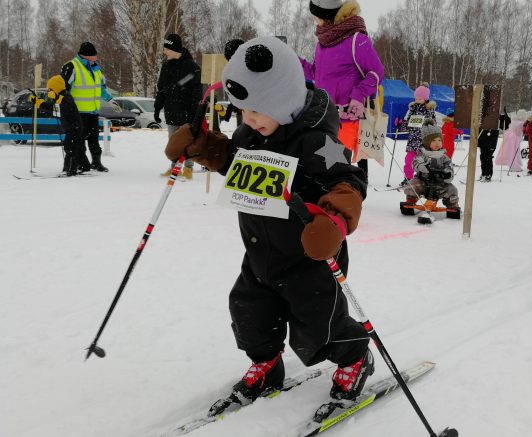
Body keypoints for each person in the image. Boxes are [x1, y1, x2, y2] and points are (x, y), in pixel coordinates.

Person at [164, 36, 374, 404]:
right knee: (249, 314)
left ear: (283, 99)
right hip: (261, 253)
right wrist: (201, 146)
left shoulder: (313, 141)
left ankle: (355, 357)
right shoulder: (251, 133)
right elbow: (233, 162)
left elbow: (348, 181)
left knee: (318, 327)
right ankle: (266, 362)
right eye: (243, 111)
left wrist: (335, 220)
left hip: (309, 257)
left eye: (257, 110)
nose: (248, 119)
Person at [301, 0, 385, 176]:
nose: (314, 21)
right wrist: (295, 62)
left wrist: (358, 94)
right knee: (323, 170)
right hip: (324, 118)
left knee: (339, 172)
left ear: (325, 16)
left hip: (347, 120)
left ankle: (348, 198)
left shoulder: (356, 39)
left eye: (316, 17)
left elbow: (376, 72)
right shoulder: (323, 43)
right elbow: (317, 74)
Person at [60, 42, 114, 173]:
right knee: (78, 140)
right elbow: (63, 89)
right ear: (87, 55)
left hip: (93, 111)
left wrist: (110, 99)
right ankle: (76, 164)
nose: (97, 57)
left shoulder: (96, 69)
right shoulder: (71, 66)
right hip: (78, 112)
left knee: (94, 139)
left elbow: (100, 88)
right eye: (95, 55)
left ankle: (96, 162)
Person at [154, 34, 202, 180]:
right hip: (171, 111)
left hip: (187, 112)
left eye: (166, 49)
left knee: (187, 141)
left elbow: (197, 91)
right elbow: (161, 89)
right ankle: (174, 167)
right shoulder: (166, 66)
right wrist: (157, 107)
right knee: (173, 141)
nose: (164, 52)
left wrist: (194, 111)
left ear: (174, 49)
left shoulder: (191, 66)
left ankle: (188, 168)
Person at [31, 75, 85, 176]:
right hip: (71, 127)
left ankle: (70, 170)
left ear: (56, 88)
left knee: (70, 148)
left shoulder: (66, 97)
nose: (49, 91)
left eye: (50, 89)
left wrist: (57, 98)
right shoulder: (59, 98)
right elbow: (53, 108)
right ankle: (80, 167)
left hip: (74, 127)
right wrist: (39, 102)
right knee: (75, 148)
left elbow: (65, 106)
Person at [402, 120, 460, 213]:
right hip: (423, 183)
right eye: (433, 140)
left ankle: (452, 205)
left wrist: (447, 174)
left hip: (440, 184)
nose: (437, 143)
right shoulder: (422, 154)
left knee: (452, 190)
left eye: (439, 140)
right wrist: (422, 167)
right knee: (412, 185)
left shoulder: (444, 156)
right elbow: (415, 163)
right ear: (426, 142)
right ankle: (410, 200)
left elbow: (450, 168)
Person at [399, 85, 437, 184]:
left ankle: (424, 178)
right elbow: (407, 124)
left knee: (424, 161)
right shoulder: (413, 109)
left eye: (419, 98)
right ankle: (408, 178)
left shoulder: (429, 109)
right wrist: (402, 123)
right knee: (408, 160)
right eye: (416, 98)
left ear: (425, 99)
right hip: (413, 140)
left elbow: (433, 124)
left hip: (424, 140)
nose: (417, 100)